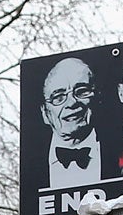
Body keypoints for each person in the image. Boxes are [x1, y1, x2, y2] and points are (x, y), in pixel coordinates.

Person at [41, 57, 102, 189]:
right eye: (58, 97)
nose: (72, 103)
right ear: (45, 113)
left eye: (82, 91)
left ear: (98, 98)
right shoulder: (29, 166)